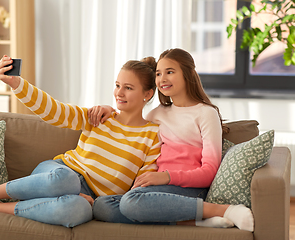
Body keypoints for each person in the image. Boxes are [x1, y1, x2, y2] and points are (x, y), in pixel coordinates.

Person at [0, 55, 162, 228]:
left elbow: (140, 186)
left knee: (76, 212)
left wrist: (99, 201)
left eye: (128, 88)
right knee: (67, 180)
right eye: (117, 85)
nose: (119, 93)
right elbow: (54, 111)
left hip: (88, 198)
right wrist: (16, 83)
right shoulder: (99, 117)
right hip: (56, 175)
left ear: (148, 94)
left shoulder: (152, 136)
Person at [88, 48, 254, 231]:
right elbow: (128, 121)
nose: (162, 79)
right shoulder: (157, 114)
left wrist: (165, 176)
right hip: (158, 190)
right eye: (158, 73)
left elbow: (209, 172)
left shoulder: (206, 114)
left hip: (190, 189)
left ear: (188, 74)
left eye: (170, 72)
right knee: (102, 205)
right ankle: (193, 220)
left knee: (131, 203)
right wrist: (108, 109)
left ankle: (223, 210)